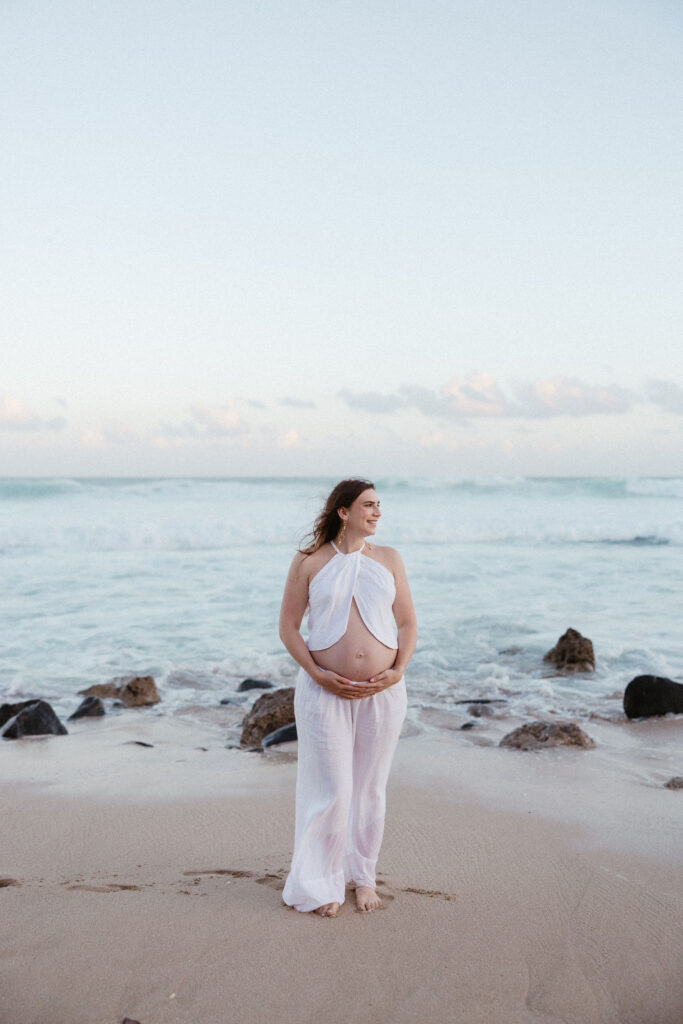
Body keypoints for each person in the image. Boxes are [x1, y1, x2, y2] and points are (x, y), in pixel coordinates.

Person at [279, 479, 417, 917]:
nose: (377, 512)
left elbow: (408, 623)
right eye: (369, 505)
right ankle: (321, 881)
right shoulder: (308, 561)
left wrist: (398, 671)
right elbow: (288, 626)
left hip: (383, 692)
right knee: (333, 788)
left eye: (379, 505)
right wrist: (317, 673)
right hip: (324, 694)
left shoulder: (390, 559)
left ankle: (363, 877)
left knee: (370, 789)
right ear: (344, 511)